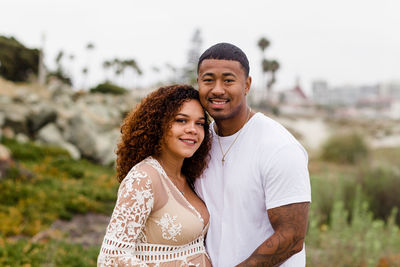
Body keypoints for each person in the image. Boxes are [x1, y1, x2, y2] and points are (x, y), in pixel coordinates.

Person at [195, 43, 311, 267]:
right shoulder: (198, 142)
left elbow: (292, 237)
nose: (217, 89)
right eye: (208, 80)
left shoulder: (279, 147)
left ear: (247, 85)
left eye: (228, 80)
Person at [97, 85, 212, 266]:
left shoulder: (189, 177)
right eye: (181, 120)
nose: (193, 129)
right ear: (158, 124)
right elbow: (111, 258)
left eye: (199, 123)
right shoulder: (144, 178)